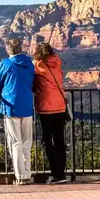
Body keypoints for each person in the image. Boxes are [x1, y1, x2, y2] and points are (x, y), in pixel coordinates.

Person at [0, 38, 35, 185]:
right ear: (20, 49)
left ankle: (20, 176)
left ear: (8, 50)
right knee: (26, 142)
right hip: (27, 106)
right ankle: (27, 173)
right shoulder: (29, 63)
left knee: (15, 142)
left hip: (11, 107)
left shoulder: (5, 64)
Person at [33, 42, 68, 184]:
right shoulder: (57, 63)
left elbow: (32, 83)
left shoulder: (37, 65)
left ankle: (56, 174)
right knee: (60, 140)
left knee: (48, 141)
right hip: (60, 105)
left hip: (45, 107)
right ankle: (61, 173)